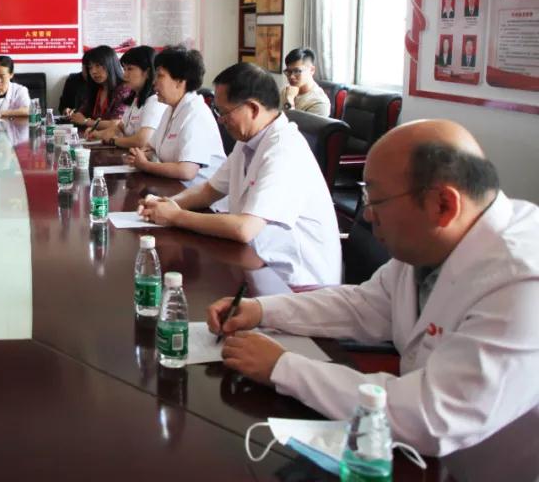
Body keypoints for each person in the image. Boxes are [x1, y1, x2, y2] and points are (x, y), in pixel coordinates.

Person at [208, 121, 539, 482]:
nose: (366, 214)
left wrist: (283, 368)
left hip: (486, 464)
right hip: (414, 455)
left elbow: (432, 415)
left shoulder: (522, 280)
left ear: (442, 204)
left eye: (375, 200)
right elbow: (365, 305)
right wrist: (262, 309)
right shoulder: (437, 239)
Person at [139, 63, 340, 286]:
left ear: (253, 109)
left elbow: (245, 228)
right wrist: (166, 203)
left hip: (296, 282)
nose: (220, 120)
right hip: (256, 260)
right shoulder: (249, 140)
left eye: (224, 112)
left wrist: (176, 216)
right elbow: (209, 190)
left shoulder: (284, 150)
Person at [125, 46, 226, 192]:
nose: (154, 82)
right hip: (174, 190)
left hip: (201, 198)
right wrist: (143, 154)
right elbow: (151, 147)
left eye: (160, 76)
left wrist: (146, 165)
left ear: (180, 81)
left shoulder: (196, 114)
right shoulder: (170, 109)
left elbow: (186, 171)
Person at [89, 45, 165, 149]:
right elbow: (120, 127)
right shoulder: (135, 98)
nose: (124, 75)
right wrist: (98, 134)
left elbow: (141, 141)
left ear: (147, 73)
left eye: (130, 69)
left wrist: (113, 140)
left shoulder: (154, 101)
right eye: (124, 69)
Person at [67, 45, 133, 126]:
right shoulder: (97, 88)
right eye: (90, 67)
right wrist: (76, 115)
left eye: (98, 65)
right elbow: (82, 112)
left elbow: (117, 123)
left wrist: (86, 122)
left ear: (110, 64)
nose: (93, 71)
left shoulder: (124, 89)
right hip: (92, 133)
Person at [279, 47, 331, 116]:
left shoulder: (319, 103)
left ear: (312, 70)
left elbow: (293, 123)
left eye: (297, 71)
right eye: (288, 71)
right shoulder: (285, 90)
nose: (291, 76)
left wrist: (289, 100)